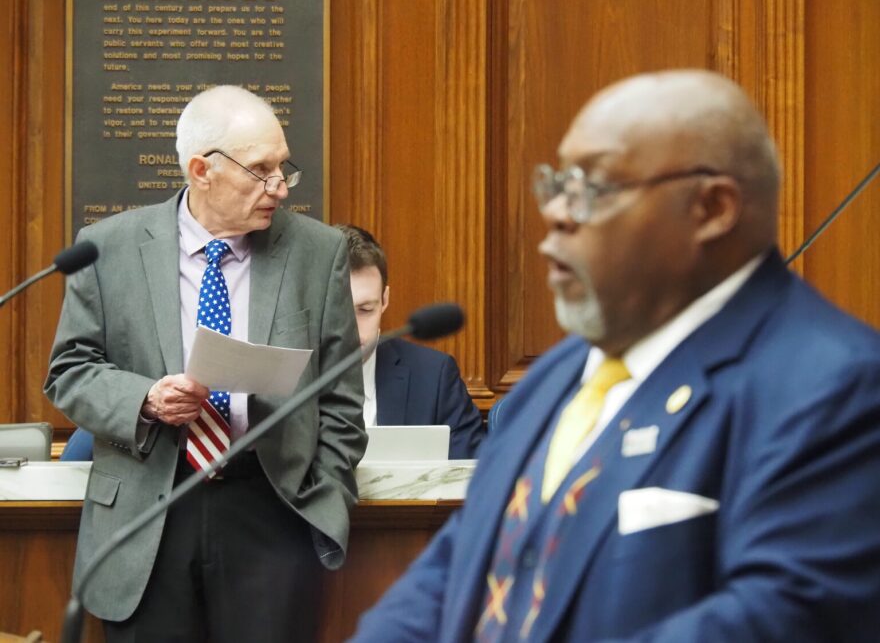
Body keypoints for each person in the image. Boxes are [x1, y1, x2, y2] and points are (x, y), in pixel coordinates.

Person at [349, 70, 880, 642]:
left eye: (594, 188)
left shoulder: (836, 388)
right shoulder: (558, 375)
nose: (556, 213)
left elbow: (781, 617)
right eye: (555, 184)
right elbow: (452, 568)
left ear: (712, 208)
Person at [45, 85, 366, 642]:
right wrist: (144, 399)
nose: (280, 187)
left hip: (269, 512)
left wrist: (323, 498)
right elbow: (69, 370)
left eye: (284, 166)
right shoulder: (107, 247)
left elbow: (340, 398)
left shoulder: (319, 253)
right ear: (202, 170)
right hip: (148, 515)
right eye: (261, 170)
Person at [336, 224, 485, 459]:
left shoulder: (433, 377)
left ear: (384, 299)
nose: (353, 330)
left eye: (365, 309)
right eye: (339, 311)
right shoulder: (288, 379)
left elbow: (469, 478)